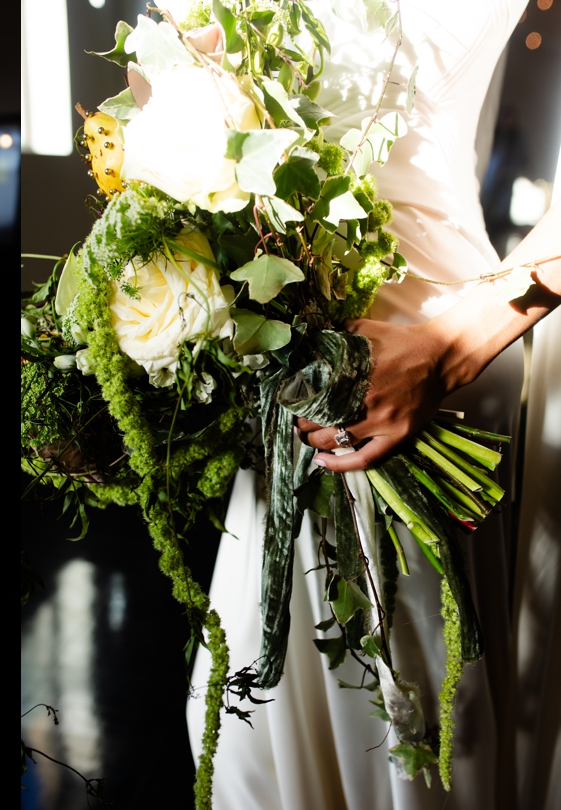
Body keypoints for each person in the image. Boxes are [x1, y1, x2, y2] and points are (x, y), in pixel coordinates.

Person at [186, 2, 534, 808]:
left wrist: (459, 339)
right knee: (255, 734)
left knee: (418, 745)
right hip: (284, 352)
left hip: (431, 351)